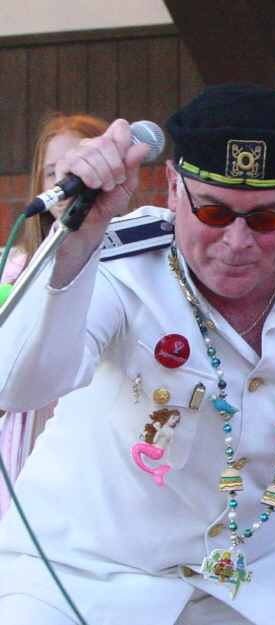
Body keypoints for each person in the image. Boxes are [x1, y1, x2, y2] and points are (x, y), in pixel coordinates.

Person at [0, 84, 275, 625]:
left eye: (267, 218)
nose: (238, 242)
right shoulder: (113, 259)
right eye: (214, 212)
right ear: (175, 190)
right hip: (81, 573)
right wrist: (77, 242)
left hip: (257, 576)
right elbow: (18, 386)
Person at [0, 112, 108, 518]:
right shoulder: (13, 266)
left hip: (88, 427)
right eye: (52, 172)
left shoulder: (122, 260)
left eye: (75, 167)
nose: (63, 182)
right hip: (23, 429)